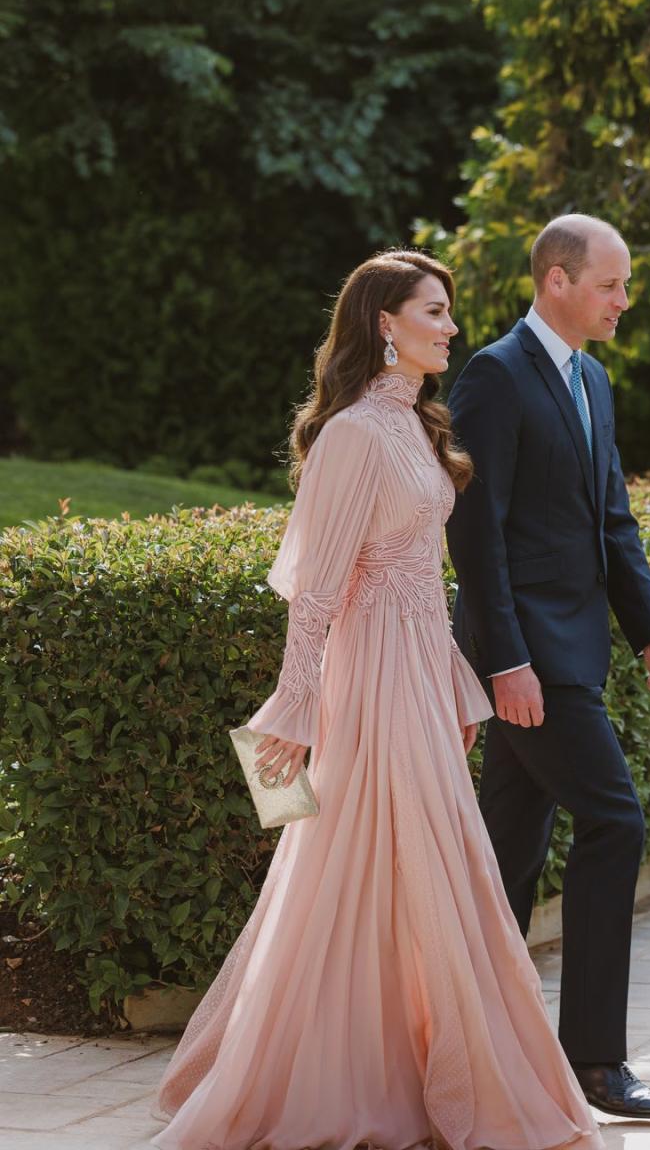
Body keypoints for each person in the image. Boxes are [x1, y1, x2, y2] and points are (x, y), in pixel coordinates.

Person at [150, 250, 604, 1150]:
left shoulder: (415, 426)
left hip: (418, 674)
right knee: (374, 862)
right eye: (432, 312)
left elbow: (418, 580)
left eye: (449, 311)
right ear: (383, 324)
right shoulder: (355, 433)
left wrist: (452, 682)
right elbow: (318, 588)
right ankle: (329, 1079)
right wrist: (294, 707)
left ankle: (410, 1065)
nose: (450, 327)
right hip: (369, 683)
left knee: (420, 866)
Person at [446, 214, 650, 1121]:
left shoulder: (593, 378)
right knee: (616, 821)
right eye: (611, 285)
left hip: (578, 649)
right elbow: (476, 529)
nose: (623, 301)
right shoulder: (496, 376)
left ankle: (468, 1049)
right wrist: (506, 660)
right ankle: (592, 1062)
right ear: (557, 279)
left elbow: (611, 521)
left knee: (506, 859)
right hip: (530, 661)